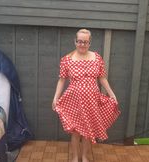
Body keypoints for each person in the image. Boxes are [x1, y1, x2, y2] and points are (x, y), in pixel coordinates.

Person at [52, 29, 120, 162]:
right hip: (74, 101)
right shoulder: (67, 60)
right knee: (76, 132)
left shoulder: (97, 58)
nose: (82, 44)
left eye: (85, 42)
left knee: (88, 132)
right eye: (79, 41)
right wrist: (55, 97)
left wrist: (112, 94)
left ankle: (84, 157)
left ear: (89, 43)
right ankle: (75, 157)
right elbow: (62, 80)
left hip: (92, 101)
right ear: (75, 41)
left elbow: (102, 78)